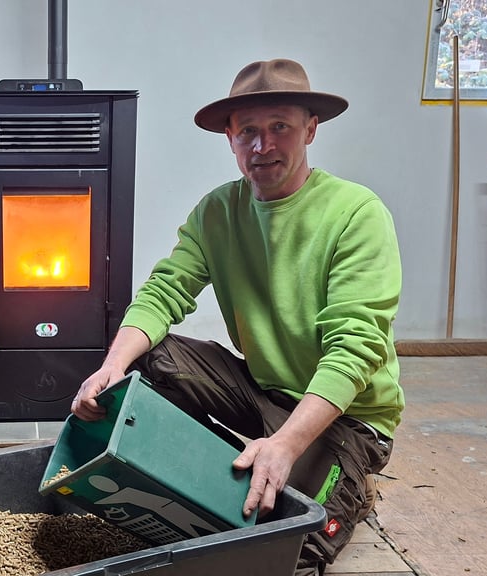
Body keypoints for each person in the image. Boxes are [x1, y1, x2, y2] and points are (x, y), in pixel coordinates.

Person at [70, 58, 403, 575]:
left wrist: (288, 445)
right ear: (229, 136)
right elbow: (164, 292)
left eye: (280, 128)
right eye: (248, 130)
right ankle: (216, 474)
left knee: (290, 550)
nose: (263, 146)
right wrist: (111, 367)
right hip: (264, 388)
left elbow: (354, 349)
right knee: (146, 359)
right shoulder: (217, 211)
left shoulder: (356, 214)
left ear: (310, 129)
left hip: (348, 418)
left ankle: (344, 483)